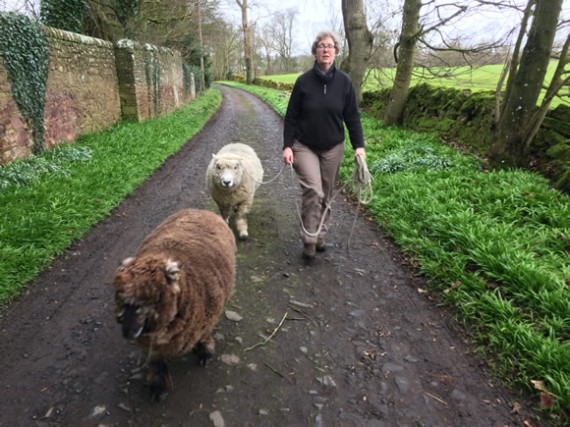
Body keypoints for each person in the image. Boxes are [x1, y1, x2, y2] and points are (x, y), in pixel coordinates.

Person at [283, 31, 366, 262]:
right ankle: (309, 238)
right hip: (304, 145)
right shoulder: (303, 82)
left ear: (336, 51)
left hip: (333, 147)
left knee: (327, 194)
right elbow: (291, 117)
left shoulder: (345, 82)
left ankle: (321, 235)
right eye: (321, 46)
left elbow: (352, 117)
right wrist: (287, 146)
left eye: (330, 46)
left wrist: (359, 146)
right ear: (315, 51)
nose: (326, 50)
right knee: (314, 190)